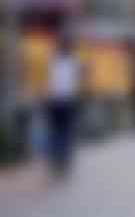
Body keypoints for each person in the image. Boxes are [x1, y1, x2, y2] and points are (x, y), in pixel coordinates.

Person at [46, 32, 82, 177]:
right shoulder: (72, 62)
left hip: (55, 101)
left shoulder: (53, 61)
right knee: (65, 131)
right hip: (65, 101)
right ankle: (62, 160)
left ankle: (58, 160)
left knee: (57, 131)